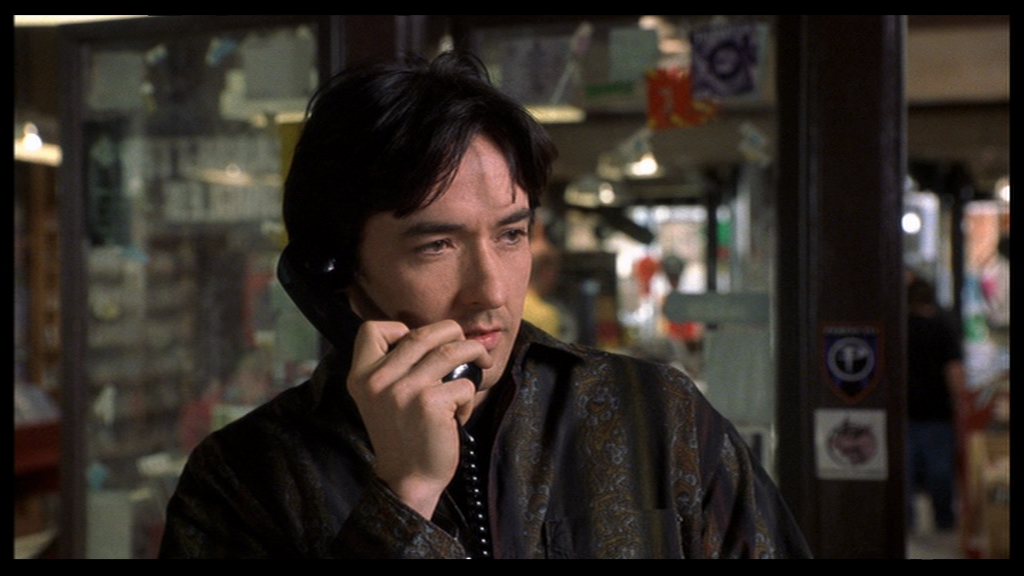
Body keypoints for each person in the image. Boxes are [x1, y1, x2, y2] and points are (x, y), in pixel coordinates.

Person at [159, 51, 811, 559]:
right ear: (338, 274)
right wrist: (404, 497)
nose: (492, 291)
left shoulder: (658, 417)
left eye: (511, 235)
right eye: (436, 246)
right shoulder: (241, 478)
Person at [905, 274, 966, 533]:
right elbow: (954, 369)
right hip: (937, 411)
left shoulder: (902, 327)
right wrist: (960, 402)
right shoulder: (943, 326)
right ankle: (944, 519)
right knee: (940, 470)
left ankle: (906, 522)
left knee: (905, 471)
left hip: (906, 410)